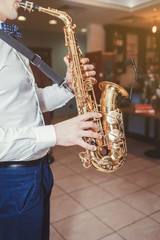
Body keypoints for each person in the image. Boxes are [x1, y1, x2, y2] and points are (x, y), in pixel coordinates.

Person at [0, 0, 102, 240]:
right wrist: (54, 134)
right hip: (11, 176)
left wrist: (69, 87)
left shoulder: (9, 42)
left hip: (37, 167)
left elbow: (30, 99)